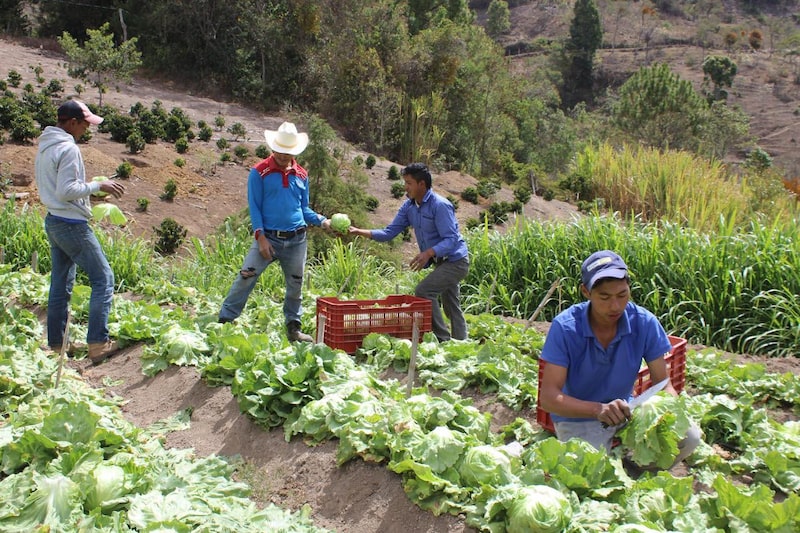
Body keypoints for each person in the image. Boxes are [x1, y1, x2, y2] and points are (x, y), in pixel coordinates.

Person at [538, 250, 700, 468]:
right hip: (579, 417)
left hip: (626, 412)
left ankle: (635, 473)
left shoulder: (644, 322)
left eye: (622, 295)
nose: (615, 306)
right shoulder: (566, 327)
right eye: (604, 297)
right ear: (586, 292)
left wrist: (661, 412)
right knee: (586, 471)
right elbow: (548, 398)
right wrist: (598, 410)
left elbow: (664, 384)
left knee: (690, 438)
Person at [218, 121, 331, 342]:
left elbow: (303, 208)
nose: (282, 156)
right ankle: (225, 321)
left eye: (287, 152)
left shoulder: (301, 175)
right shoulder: (259, 172)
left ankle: (293, 327)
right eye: (279, 150)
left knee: (295, 284)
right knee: (246, 276)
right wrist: (260, 238)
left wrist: (322, 221)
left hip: (297, 239)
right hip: (268, 237)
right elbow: (255, 206)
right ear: (273, 148)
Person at [35, 99, 126, 364]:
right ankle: (98, 343)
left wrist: (86, 191)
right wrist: (98, 187)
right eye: (85, 124)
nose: (87, 129)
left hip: (53, 221)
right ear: (72, 123)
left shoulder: (45, 146)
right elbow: (66, 191)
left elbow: (58, 189)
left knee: (61, 284)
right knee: (103, 278)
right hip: (71, 225)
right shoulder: (68, 148)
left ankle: (56, 344)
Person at [350, 163, 469, 342]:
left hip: (456, 260)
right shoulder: (409, 207)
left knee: (424, 291)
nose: (405, 187)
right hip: (442, 262)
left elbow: (451, 240)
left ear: (422, 184)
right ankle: (461, 343)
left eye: (409, 183)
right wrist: (359, 231)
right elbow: (389, 232)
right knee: (451, 305)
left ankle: (443, 340)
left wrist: (428, 252)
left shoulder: (440, 205)